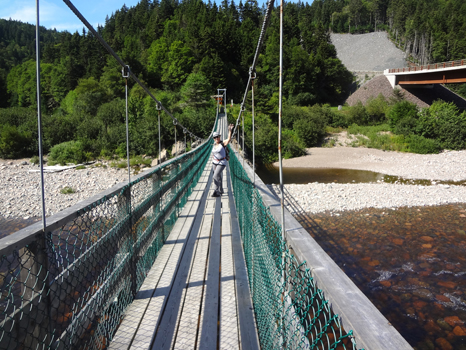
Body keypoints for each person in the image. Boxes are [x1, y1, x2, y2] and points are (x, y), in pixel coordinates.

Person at [211, 124, 234, 197]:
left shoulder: (222, 143)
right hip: (214, 162)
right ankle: (221, 190)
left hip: (222, 162)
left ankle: (216, 191)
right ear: (213, 138)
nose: (216, 138)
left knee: (215, 175)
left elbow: (229, 139)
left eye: (217, 136)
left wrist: (230, 130)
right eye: (215, 137)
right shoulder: (214, 145)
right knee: (218, 176)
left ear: (219, 137)